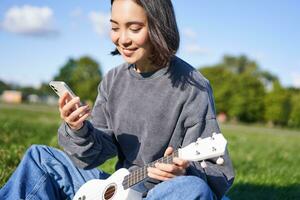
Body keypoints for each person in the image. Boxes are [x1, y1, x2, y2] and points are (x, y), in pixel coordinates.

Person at [0, 0, 234, 199]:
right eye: (115, 27)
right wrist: (78, 128)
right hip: (119, 187)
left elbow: (215, 172)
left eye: (134, 28)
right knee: (40, 158)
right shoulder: (113, 80)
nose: (122, 39)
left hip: (160, 193)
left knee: (192, 189)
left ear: (159, 26)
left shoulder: (193, 85)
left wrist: (182, 174)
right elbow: (96, 154)